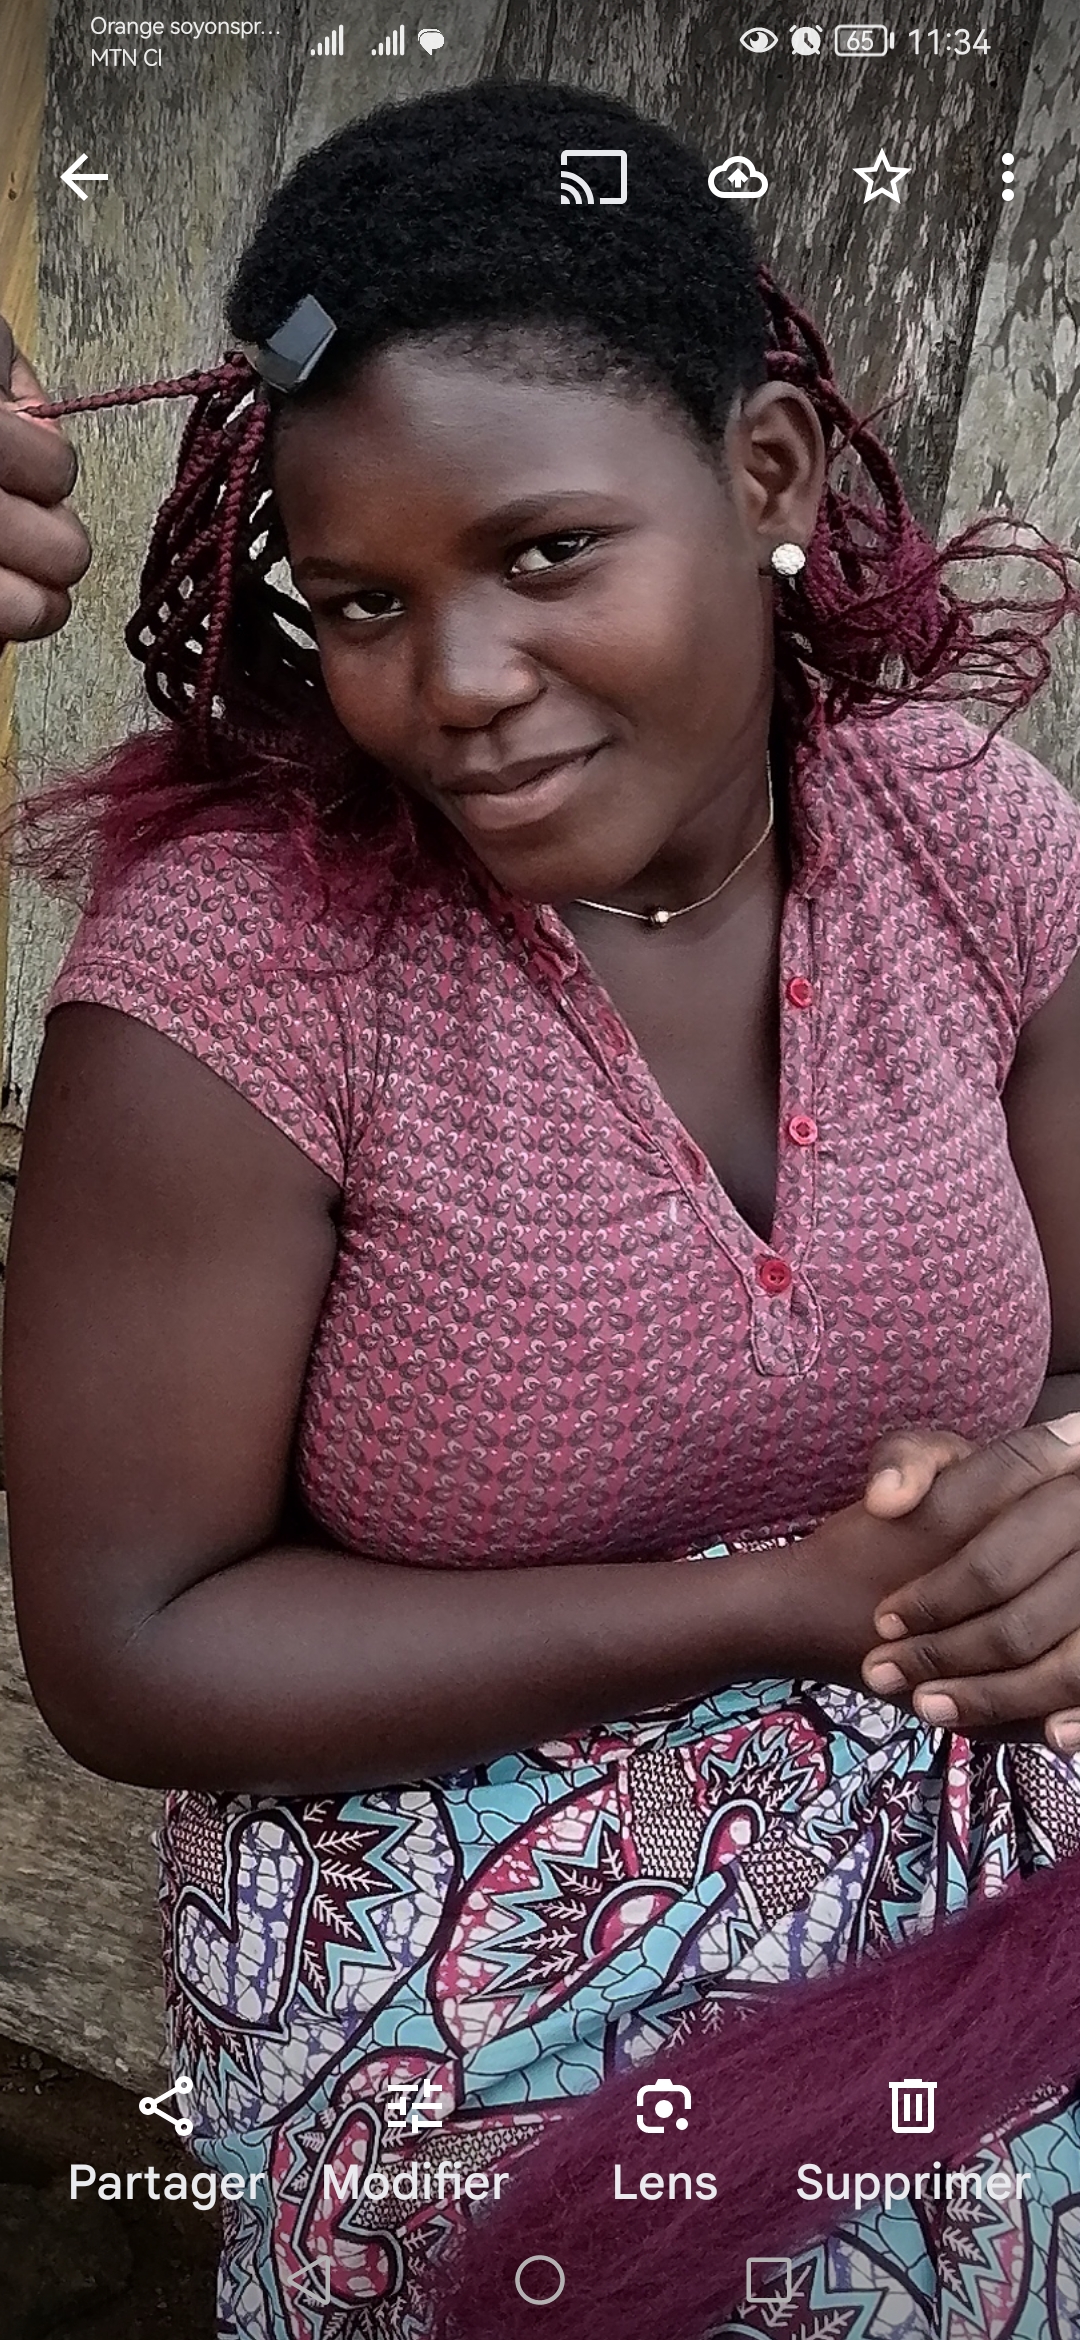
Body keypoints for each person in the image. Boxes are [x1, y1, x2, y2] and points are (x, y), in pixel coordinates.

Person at [3, 78, 1080, 2340]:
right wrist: (782, 1609)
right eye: (365, 601)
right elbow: (131, 1648)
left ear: (765, 477)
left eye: (548, 553)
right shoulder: (241, 981)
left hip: (999, 1803)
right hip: (451, 1959)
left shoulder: (967, 843)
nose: (458, 687)